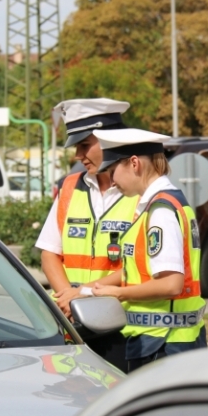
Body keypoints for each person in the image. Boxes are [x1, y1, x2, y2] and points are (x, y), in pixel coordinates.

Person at [87, 126, 208, 372]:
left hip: (163, 344)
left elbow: (171, 284)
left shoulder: (161, 211)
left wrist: (119, 294)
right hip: (166, 341)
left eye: (112, 171)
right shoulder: (162, 204)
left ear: (134, 163)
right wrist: (91, 289)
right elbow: (140, 269)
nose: (111, 181)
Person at [34, 98, 139, 370]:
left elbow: (140, 266)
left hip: (124, 330)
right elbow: (49, 254)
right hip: (78, 325)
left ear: (108, 139)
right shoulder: (70, 186)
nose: (78, 156)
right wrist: (69, 297)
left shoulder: (141, 191)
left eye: (84, 145)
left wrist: (85, 293)